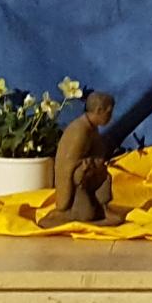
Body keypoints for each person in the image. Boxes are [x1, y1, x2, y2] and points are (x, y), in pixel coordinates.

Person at [41, 91, 124, 227]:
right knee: (86, 215)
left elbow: (97, 151)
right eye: (109, 113)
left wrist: (98, 160)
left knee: (103, 175)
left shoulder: (91, 128)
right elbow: (69, 163)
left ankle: (102, 207)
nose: (110, 117)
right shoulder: (80, 131)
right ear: (99, 110)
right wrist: (89, 164)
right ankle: (68, 213)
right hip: (77, 179)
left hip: (88, 173)